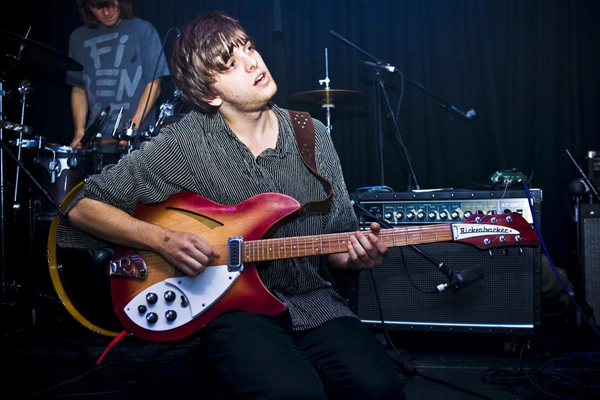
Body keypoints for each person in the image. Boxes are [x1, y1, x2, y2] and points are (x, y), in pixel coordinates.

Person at [57, 12, 406, 399]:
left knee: (381, 388)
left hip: (314, 301)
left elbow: (338, 240)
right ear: (210, 94)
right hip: (234, 311)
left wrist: (356, 255)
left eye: (249, 48)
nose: (253, 62)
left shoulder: (312, 135)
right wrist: (162, 239)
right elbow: (82, 206)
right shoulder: (185, 144)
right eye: (230, 64)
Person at [66, 0, 170, 160]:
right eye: (98, 7)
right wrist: (79, 133)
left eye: (111, 4)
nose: (107, 12)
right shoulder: (78, 38)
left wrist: (133, 126)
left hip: (139, 144)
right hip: (97, 144)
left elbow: (154, 84)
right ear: (87, 7)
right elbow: (79, 89)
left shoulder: (143, 30)